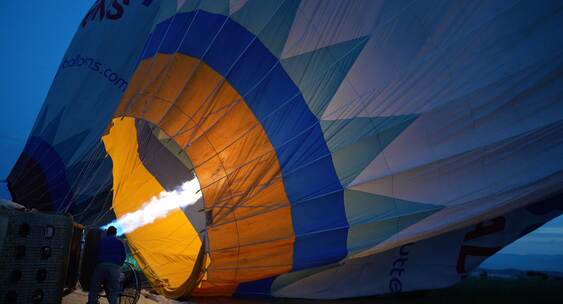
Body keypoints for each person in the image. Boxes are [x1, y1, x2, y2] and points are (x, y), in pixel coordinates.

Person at [88, 226, 126, 304]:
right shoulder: (120, 242)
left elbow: (95, 254)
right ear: (115, 233)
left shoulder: (101, 241)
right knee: (113, 291)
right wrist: (118, 265)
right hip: (115, 268)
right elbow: (123, 256)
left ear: (107, 233)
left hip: (101, 266)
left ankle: (92, 302)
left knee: (95, 288)